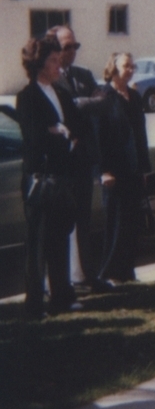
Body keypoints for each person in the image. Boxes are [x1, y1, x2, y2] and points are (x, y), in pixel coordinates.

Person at [17, 36, 81, 319]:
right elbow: (34, 138)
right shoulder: (28, 96)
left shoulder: (62, 94)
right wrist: (57, 135)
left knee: (60, 239)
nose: (59, 65)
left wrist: (66, 134)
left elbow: (76, 129)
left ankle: (62, 296)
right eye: (53, 60)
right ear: (39, 64)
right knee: (38, 244)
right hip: (40, 180)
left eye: (59, 59)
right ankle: (34, 305)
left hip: (63, 177)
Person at [49, 25, 104, 290]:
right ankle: (65, 279)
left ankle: (85, 274)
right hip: (63, 162)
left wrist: (79, 103)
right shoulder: (49, 80)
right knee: (62, 223)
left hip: (84, 158)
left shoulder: (83, 75)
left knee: (83, 219)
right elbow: (64, 112)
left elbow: (102, 102)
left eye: (74, 46)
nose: (71, 52)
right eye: (65, 47)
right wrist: (84, 102)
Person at [95, 52, 150, 284]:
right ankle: (110, 272)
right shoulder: (104, 96)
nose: (130, 70)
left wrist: (145, 168)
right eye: (126, 66)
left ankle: (128, 270)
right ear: (114, 68)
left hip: (134, 168)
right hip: (114, 169)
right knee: (116, 222)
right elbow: (98, 137)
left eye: (132, 66)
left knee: (132, 222)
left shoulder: (135, 97)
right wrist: (103, 170)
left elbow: (141, 136)